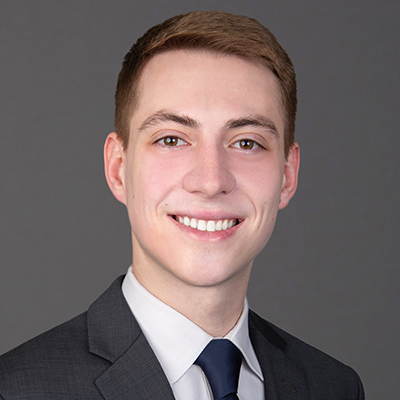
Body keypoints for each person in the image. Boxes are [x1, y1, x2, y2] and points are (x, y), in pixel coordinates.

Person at [0, 11, 364, 399]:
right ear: (119, 169)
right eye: (171, 140)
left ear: (287, 176)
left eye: (246, 143)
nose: (211, 181)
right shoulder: (17, 390)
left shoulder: (333, 387)